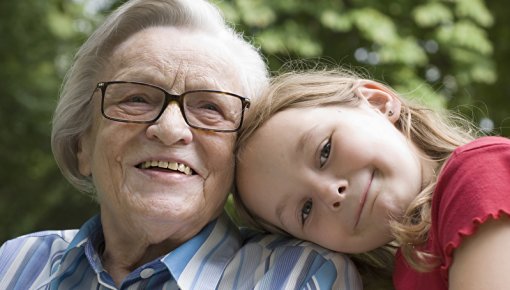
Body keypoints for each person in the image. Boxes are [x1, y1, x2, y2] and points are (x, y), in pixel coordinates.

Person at [0, 1, 362, 289]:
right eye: (136, 99)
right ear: (82, 145)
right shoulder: (16, 263)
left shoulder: (297, 276)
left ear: (239, 157)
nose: (170, 129)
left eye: (209, 107)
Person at [234, 68, 510, 290]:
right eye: (305, 210)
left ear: (378, 103)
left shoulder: (476, 172)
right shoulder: (405, 269)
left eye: (325, 151)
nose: (331, 192)